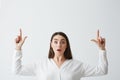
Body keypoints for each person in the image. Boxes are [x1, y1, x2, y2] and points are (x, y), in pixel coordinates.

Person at [12, 29, 108, 80]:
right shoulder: (40, 64)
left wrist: (102, 49)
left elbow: (102, 71)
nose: (59, 45)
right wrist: (18, 48)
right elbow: (17, 70)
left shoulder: (77, 65)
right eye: (56, 41)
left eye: (62, 42)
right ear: (51, 44)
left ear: (66, 45)